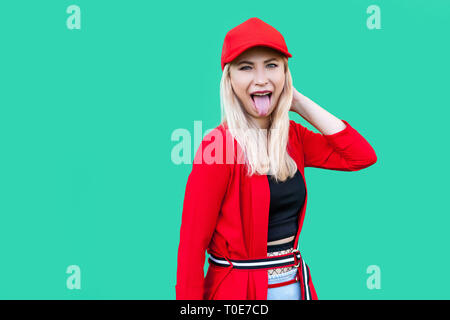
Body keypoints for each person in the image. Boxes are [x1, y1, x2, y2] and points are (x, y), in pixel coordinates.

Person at [175, 17, 377, 300]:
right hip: (238, 294)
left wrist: (300, 103)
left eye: (272, 65)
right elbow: (191, 246)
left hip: (295, 287)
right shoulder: (217, 147)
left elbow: (360, 156)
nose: (261, 79)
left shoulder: (293, 137)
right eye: (246, 68)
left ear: (285, 73)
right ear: (229, 79)